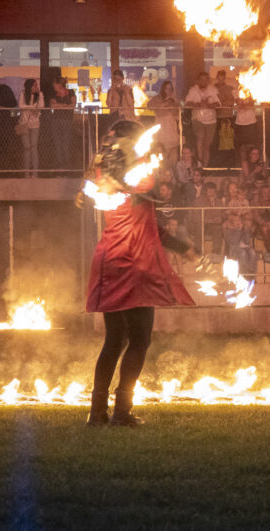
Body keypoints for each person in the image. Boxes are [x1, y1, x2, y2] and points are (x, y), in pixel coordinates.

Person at [82, 120, 196, 427]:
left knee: (114, 339)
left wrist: (179, 246)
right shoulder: (137, 174)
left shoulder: (103, 176)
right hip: (133, 261)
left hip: (109, 257)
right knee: (140, 339)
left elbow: (147, 220)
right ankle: (121, 412)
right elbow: (149, 196)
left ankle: (97, 412)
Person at [185, 71, 220, 168]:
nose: (204, 81)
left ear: (208, 80)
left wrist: (208, 105)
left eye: (206, 79)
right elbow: (187, 103)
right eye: (202, 79)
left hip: (211, 121)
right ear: (198, 80)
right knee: (200, 138)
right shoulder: (193, 90)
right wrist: (197, 104)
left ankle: (205, 167)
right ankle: (199, 162)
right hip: (198, 119)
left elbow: (218, 104)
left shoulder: (213, 89)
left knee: (207, 145)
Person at [148, 80, 182, 164]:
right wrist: (163, 104)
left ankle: (173, 171)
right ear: (163, 89)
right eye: (167, 88)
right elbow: (149, 106)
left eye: (170, 88)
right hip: (161, 130)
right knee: (163, 154)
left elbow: (178, 111)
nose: (169, 90)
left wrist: (172, 104)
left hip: (171, 129)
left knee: (174, 154)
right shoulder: (157, 98)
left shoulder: (174, 100)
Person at [18, 78, 43, 173]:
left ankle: (35, 172)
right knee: (27, 147)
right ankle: (26, 172)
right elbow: (21, 105)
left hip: (35, 124)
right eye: (34, 85)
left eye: (37, 85)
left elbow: (41, 106)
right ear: (29, 86)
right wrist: (33, 107)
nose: (36, 87)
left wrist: (40, 95)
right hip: (24, 123)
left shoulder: (39, 94)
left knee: (34, 147)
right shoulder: (23, 93)